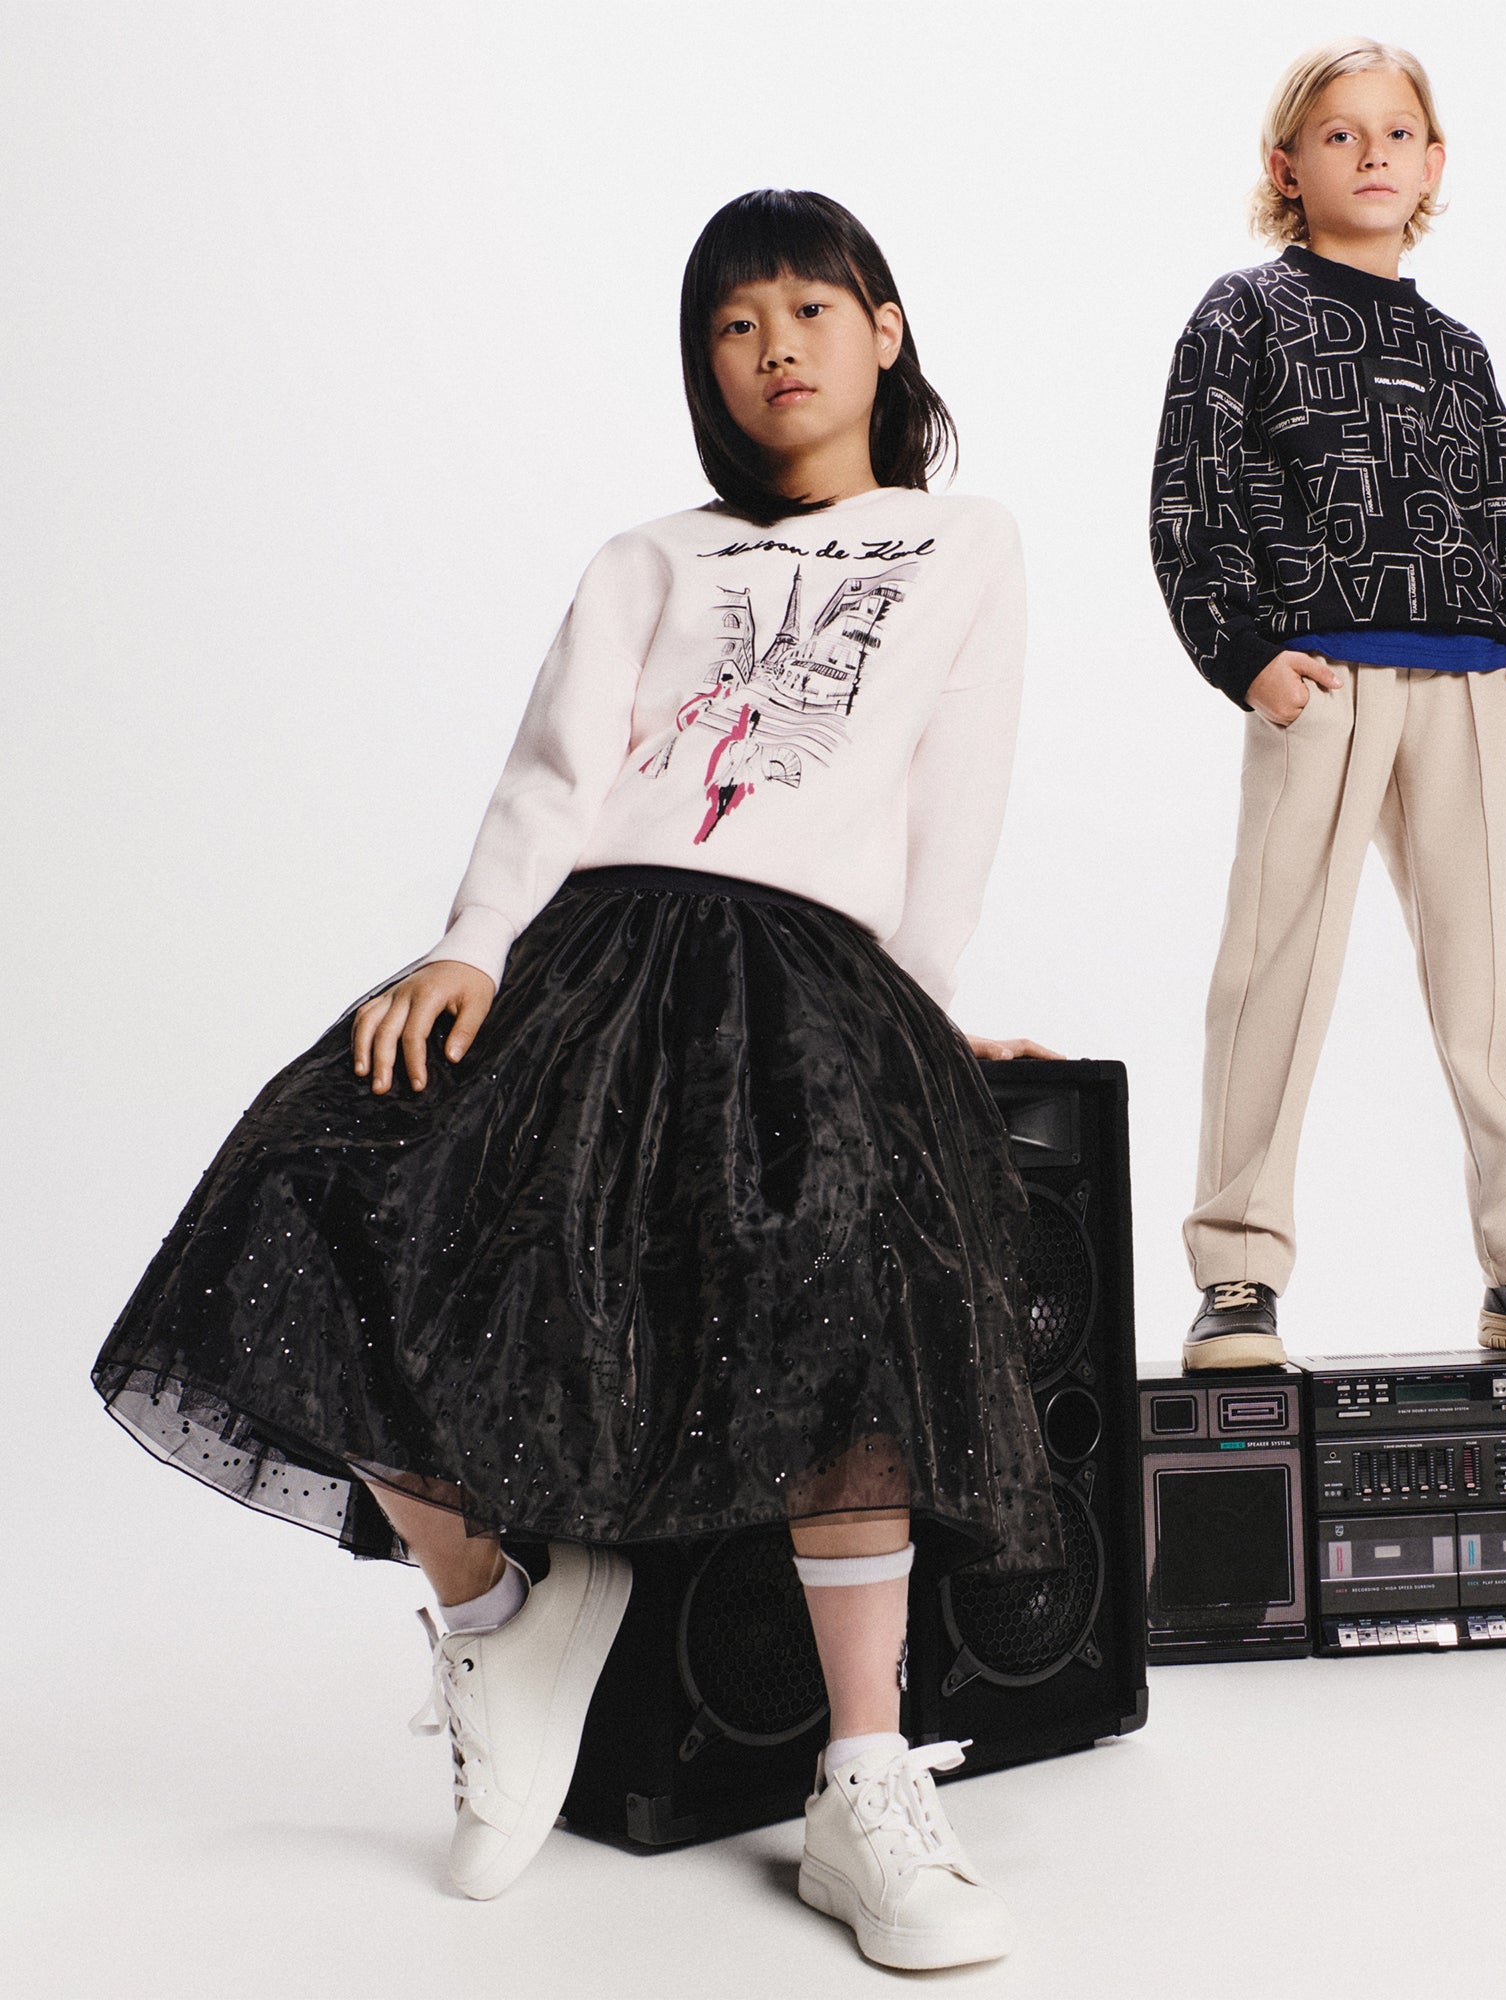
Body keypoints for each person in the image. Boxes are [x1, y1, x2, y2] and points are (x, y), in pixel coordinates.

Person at [91, 187, 1059, 1973]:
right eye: (733, 324)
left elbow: (956, 791)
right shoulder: (647, 558)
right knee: (309, 1186)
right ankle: (499, 1615)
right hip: (596, 941)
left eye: (810, 309)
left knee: (837, 1270)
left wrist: (917, 1026)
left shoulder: (962, 542)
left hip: (808, 963)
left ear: (885, 330)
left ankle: (862, 1785)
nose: (775, 347)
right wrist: (471, 945)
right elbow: (556, 771)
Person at [1151, 39, 1506, 1371]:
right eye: (1339, 133)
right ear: (1287, 165)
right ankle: (1238, 1271)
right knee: (1275, 968)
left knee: (1486, 982)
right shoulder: (1243, 316)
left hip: (1467, 687)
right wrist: (1243, 655)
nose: (1370, 153)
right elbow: (1191, 500)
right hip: (1318, 681)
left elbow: (1486, 526)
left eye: (1395, 133)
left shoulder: (1458, 354)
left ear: (1433, 164)